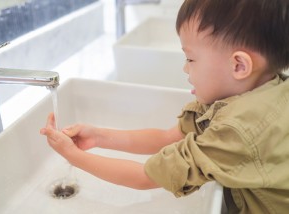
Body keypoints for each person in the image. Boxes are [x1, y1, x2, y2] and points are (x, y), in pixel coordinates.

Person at [40, 0, 289, 213]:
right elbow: (169, 137)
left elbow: (143, 178)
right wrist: (99, 136)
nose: (185, 68)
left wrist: (72, 155)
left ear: (239, 66)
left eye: (191, 58)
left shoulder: (239, 128)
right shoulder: (256, 91)